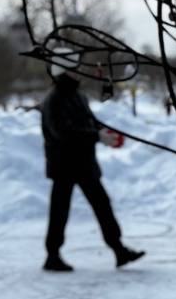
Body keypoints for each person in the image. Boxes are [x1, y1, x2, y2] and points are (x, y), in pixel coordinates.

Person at [39, 70, 144, 272]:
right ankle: (52, 255)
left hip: (84, 163)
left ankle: (118, 249)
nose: (80, 73)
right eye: (74, 70)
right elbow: (62, 133)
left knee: (102, 205)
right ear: (65, 72)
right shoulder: (54, 99)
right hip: (63, 165)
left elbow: (90, 122)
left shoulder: (78, 95)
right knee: (59, 211)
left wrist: (105, 133)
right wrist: (96, 136)